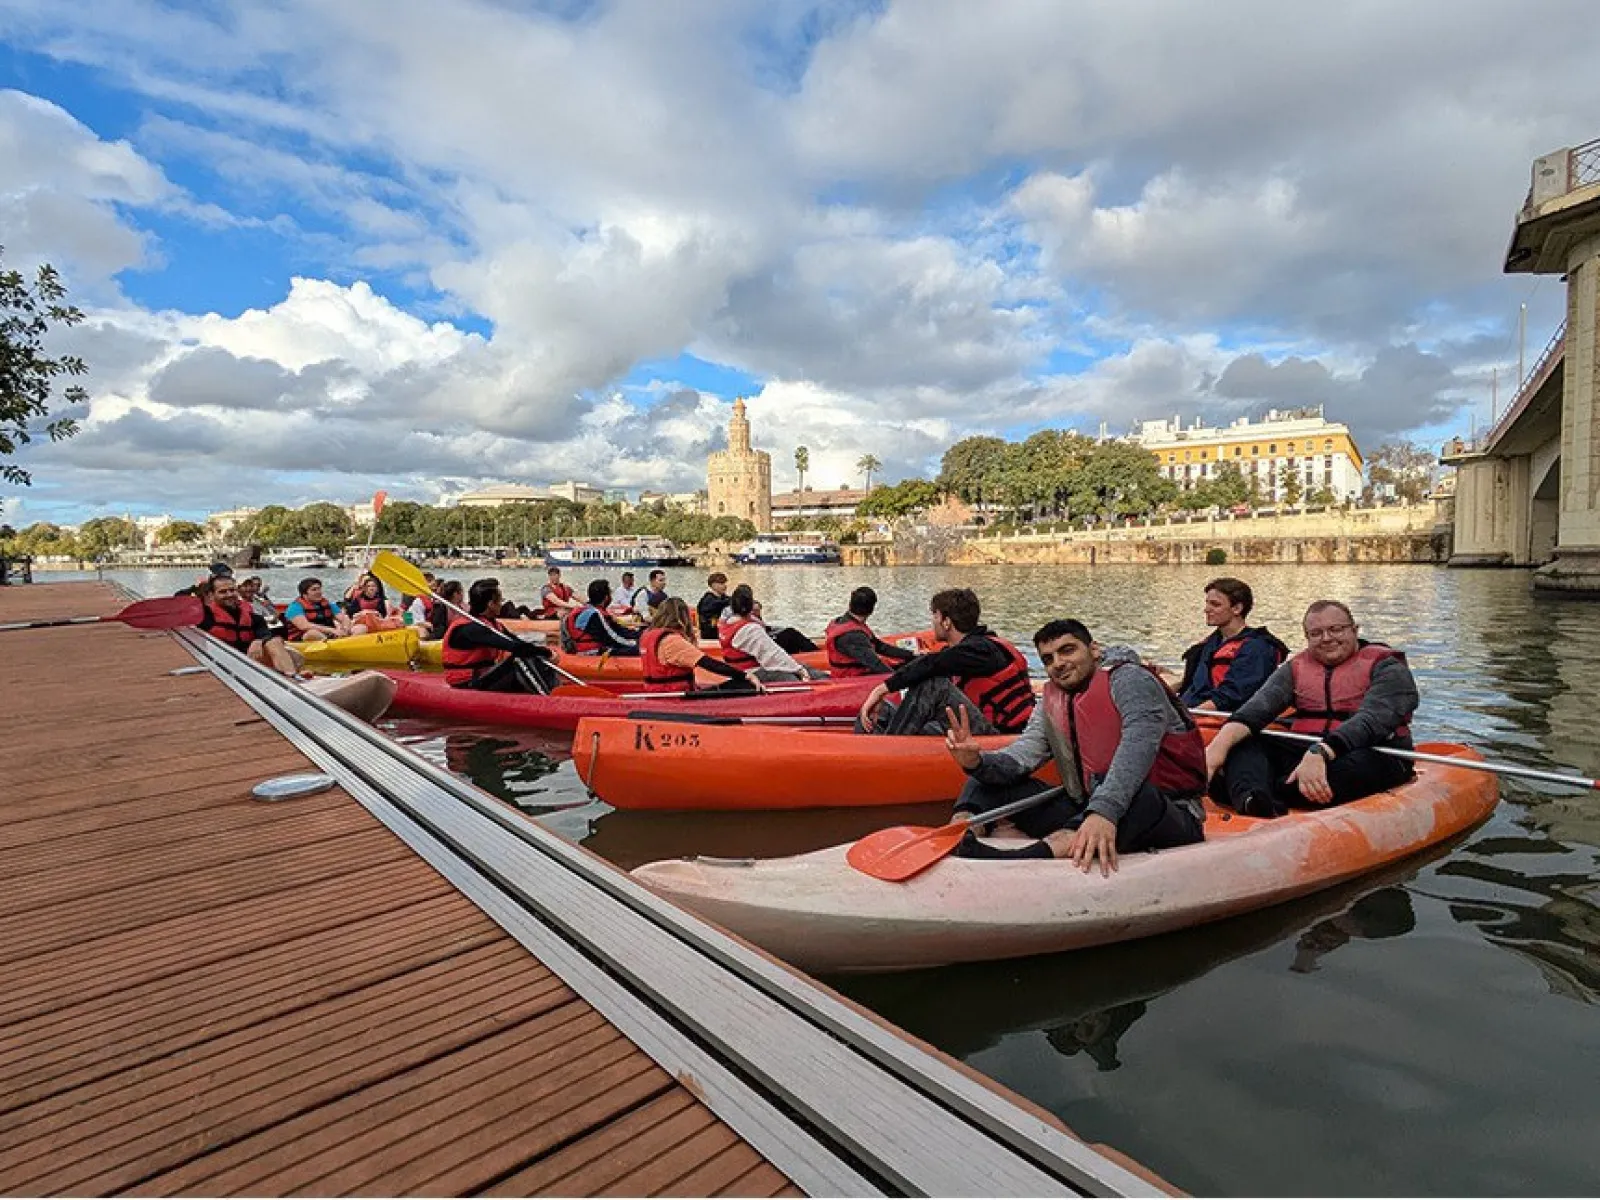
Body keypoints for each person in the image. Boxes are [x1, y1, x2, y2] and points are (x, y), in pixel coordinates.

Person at [944, 619, 1207, 872]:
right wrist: (978, 762)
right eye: (1048, 659)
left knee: (1137, 795)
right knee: (985, 779)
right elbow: (1025, 753)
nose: (1058, 663)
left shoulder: (1130, 681)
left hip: (1165, 810)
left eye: (1067, 650)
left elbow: (1137, 749)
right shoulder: (1052, 697)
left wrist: (1104, 811)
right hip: (1088, 807)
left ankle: (1025, 858)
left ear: (1093, 650)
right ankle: (959, 836)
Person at [1204, 600, 1419, 819]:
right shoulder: (1295, 668)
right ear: (1307, 638)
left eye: (1336, 629)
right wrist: (1216, 751)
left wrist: (1321, 752)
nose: (1327, 639)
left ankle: (1247, 791)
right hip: (1306, 746)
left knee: (1351, 770)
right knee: (1246, 744)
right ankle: (1253, 799)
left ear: (1354, 630)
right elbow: (1256, 710)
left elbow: (1372, 720)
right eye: (1316, 633)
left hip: (1373, 750)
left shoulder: (1388, 667)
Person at [857, 587, 1033, 736]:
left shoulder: (982, 650)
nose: (933, 621)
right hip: (970, 726)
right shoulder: (963, 651)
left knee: (933, 685)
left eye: (935, 615)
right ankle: (868, 755)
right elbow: (930, 662)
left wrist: (882, 689)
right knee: (884, 711)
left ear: (946, 622)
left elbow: (932, 664)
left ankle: (891, 752)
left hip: (997, 736)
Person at [1176, 577, 1290, 711]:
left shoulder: (1257, 648)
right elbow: (1192, 683)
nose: (1206, 609)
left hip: (1220, 718)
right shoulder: (1210, 644)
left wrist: (1187, 717)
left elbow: (1231, 696)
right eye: (1207, 603)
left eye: (1215, 604)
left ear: (1237, 608)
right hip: (1193, 709)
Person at [441, 579, 559, 692]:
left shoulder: (494, 624)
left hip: (485, 675)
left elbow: (518, 643)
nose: (502, 604)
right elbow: (514, 647)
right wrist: (547, 652)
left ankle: (556, 690)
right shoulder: (470, 628)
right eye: (500, 601)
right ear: (491, 604)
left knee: (532, 653)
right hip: (467, 681)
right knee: (519, 659)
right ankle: (549, 699)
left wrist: (543, 653)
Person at [639, 598, 765, 695]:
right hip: (674, 695)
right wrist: (744, 675)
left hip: (657, 690)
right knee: (743, 684)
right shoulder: (672, 641)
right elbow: (707, 663)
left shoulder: (647, 635)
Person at [199, 573, 304, 677]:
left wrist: (258, 641)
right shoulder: (203, 615)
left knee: (276, 643)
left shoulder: (255, 614)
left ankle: (291, 677)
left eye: (232, 590)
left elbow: (269, 632)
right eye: (223, 592)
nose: (229, 594)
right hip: (218, 662)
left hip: (246, 660)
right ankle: (289, 673)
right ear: (211, 595)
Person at [718, 584, 819, 683]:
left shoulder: (728, 623)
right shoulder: (750, 629)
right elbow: (772, 655)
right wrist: (799, 670)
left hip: (742, 669)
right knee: (795, 676)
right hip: (752, 671)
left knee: (807, 669)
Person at [824, 586, 916, 677]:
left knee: (908, 664)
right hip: (853, 678)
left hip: (857, 671)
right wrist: (900, 680)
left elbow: (880, 647)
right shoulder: (854, 635)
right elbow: (875, 664)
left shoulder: (843, 621)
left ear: (850, 604)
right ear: (871, 610)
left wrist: (911, 655)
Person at [562, 579, 642, 655]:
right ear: (606, 597)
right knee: (638, 650)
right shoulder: (594, 615)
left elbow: (619, 630)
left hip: (601, 646)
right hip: (591, 651)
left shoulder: (595, 611)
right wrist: (635, 645)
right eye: (610, 593)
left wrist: (641, 635)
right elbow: (611, 638)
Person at [283, 577, 350, 641]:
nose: (318, 592)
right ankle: (332, 644)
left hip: (330, 634)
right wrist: (332, 630)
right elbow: (304, 626)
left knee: (359, 628)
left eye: (319, 589)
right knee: (312, 633)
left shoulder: (328, 604)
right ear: (304, 594)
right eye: (314, 590)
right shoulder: (295, 607)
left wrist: (345, 629)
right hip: (303, 639)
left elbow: (344, 618)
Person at [697, 572, 732, 639]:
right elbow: (717, 604)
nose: (725, 586)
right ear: (713, 585)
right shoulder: (707, 600)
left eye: (725, 583)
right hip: (710, 634)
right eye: (722, 583)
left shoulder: (725, 598)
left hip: (722, 632)